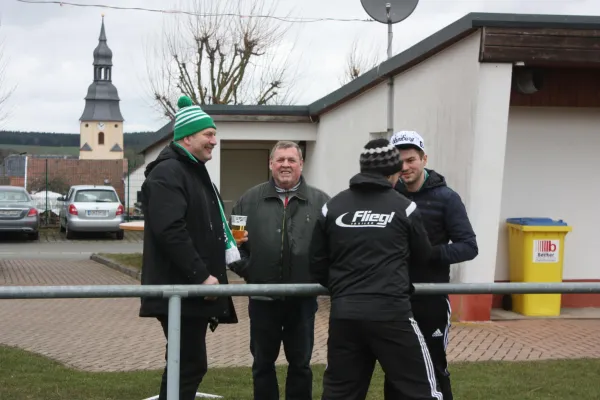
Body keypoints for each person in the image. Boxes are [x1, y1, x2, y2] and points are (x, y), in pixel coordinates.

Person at [309, 138, 443, 400]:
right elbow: (424, 255)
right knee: (421, 391)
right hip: (392, 313)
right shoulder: (404, 206)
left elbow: (315, 262)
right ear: (392, 174)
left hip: (345, 316)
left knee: (340, 392)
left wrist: (341, 288)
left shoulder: (332, 206)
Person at [139, 95, 244, 400]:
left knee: (187, 364)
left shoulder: (193, 171)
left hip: (188, 290)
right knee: (187, 365)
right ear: (187, 137)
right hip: (181, 288)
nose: (215, 140)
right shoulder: (168, 173)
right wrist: (201, 275)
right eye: (208, 134)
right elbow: (170, 230)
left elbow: (200, 225)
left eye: (214, 134)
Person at [228, 140, 330, 400]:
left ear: (301, 164)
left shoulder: (321, 203)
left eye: (291, 160)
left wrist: (318, 276)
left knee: (301, 365)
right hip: (263, 298)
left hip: (302, 300)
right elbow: (232, 245)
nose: (286, 165)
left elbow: (333, 248)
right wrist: (250, 270)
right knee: (263, 364)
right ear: (270, 163)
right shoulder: (247, 201)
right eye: (280, 160)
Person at [390, 130, 479, 400]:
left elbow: (469, 246)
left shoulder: (447, 198)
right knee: (397, 369)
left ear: (424, 158)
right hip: (394, 297)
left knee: (433, 366)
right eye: (398, 161)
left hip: (431, 298)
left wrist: (430, 254)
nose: (404, 167)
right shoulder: (389, 195)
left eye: (411, 160)